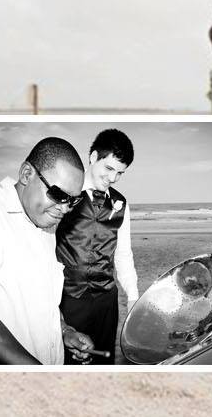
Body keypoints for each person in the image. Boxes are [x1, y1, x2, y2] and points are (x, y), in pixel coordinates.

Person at [0, 137, 97, 365]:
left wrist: (64, 331)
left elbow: (40, 300)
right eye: (59, 195)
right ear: (27, 174)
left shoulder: (45, 223)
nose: (65, 209)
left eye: (73, 200)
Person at [55, 128, 140, 364]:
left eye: (120, 173)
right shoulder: (64, 197)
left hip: (106, 302)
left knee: (103, 362)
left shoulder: (121, 204)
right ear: (93, 158)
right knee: (70, 362)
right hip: (68, 299)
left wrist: (133, 297)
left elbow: (123, 254)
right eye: (109, 168)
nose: (113, 178)